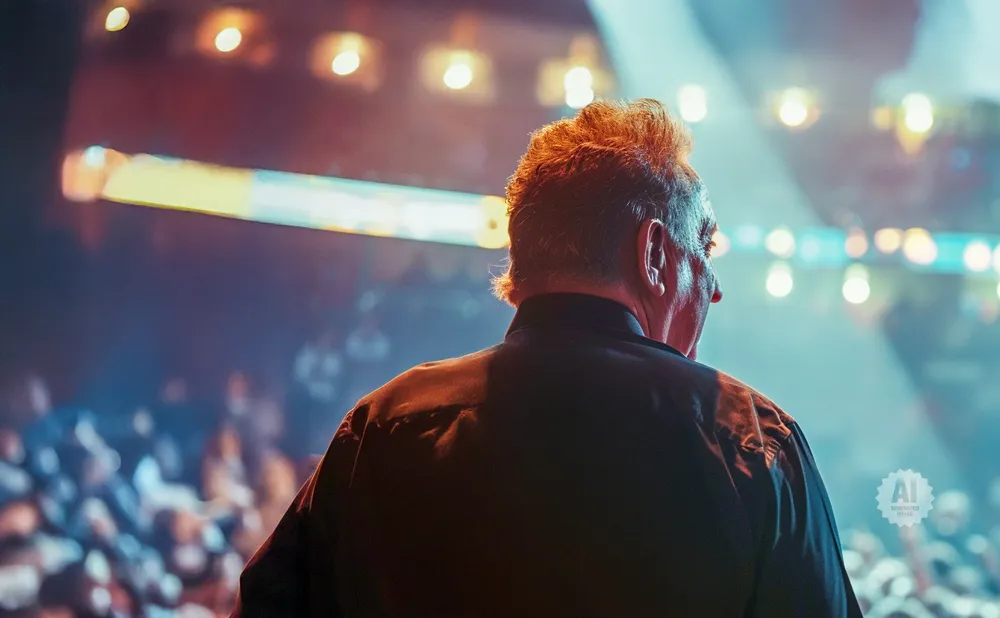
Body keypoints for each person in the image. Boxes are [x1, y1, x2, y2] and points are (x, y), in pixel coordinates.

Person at [233, 99, 863, 617]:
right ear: (653, 255)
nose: (714, 285)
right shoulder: (750, 444)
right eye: (704, 249)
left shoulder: (387, 426)